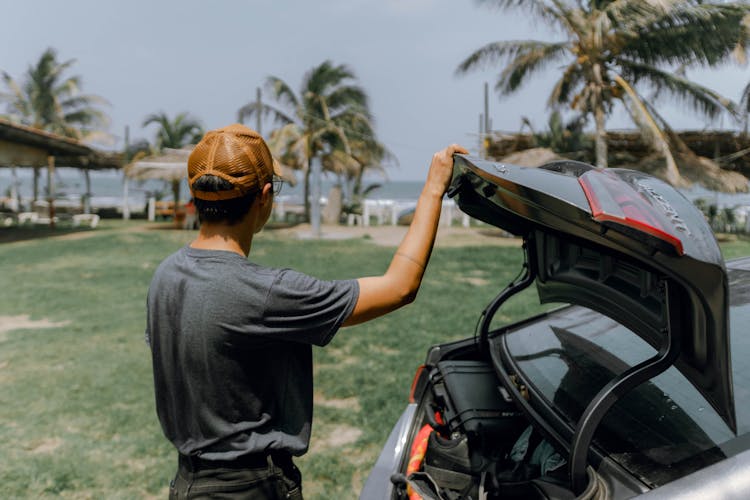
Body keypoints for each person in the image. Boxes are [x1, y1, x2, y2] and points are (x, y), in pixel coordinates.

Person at [146, 123, 468, 499]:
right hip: (250, 489)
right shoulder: (264, 292)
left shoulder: (165, 274)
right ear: (264, 197)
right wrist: (433, 189)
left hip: (188, 484)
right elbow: (400, 286)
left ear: (196, 194)